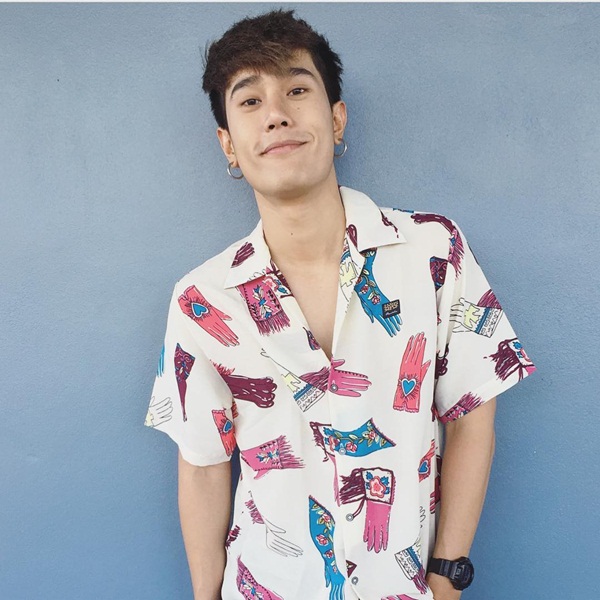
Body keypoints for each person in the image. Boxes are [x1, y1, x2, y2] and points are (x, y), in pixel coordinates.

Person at [145, 9, 536, 600]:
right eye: (249, 101)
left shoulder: (433, 251)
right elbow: (202, 466)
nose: (276, 114)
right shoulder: (202, 300)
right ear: (228, 145)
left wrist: (448, 575)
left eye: (297, 90)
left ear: (336, 118)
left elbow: (472, 413)